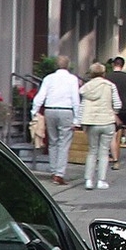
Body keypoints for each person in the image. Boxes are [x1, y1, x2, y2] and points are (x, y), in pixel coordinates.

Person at [34, 56, 81, 184]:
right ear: (68, 65)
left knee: (53, 141)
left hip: (50, 110)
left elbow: (41, 95)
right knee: (64, 142)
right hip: (66, 110)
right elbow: (75, 99)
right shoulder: (72, 79)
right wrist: (77, 118)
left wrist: (35, 111)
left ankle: (54, 170)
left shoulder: (49, 78)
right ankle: (59, 174)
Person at [77, 64, 119, 190]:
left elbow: (82, 106)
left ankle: (88, 180)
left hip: (91, 123)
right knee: (104, 152)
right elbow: (117, 104)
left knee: (92, 151)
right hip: (107, 121)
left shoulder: (86, 88)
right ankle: (101, 181)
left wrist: (80, 121)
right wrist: (113, 112)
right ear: (104, 73)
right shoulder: (110, 86)